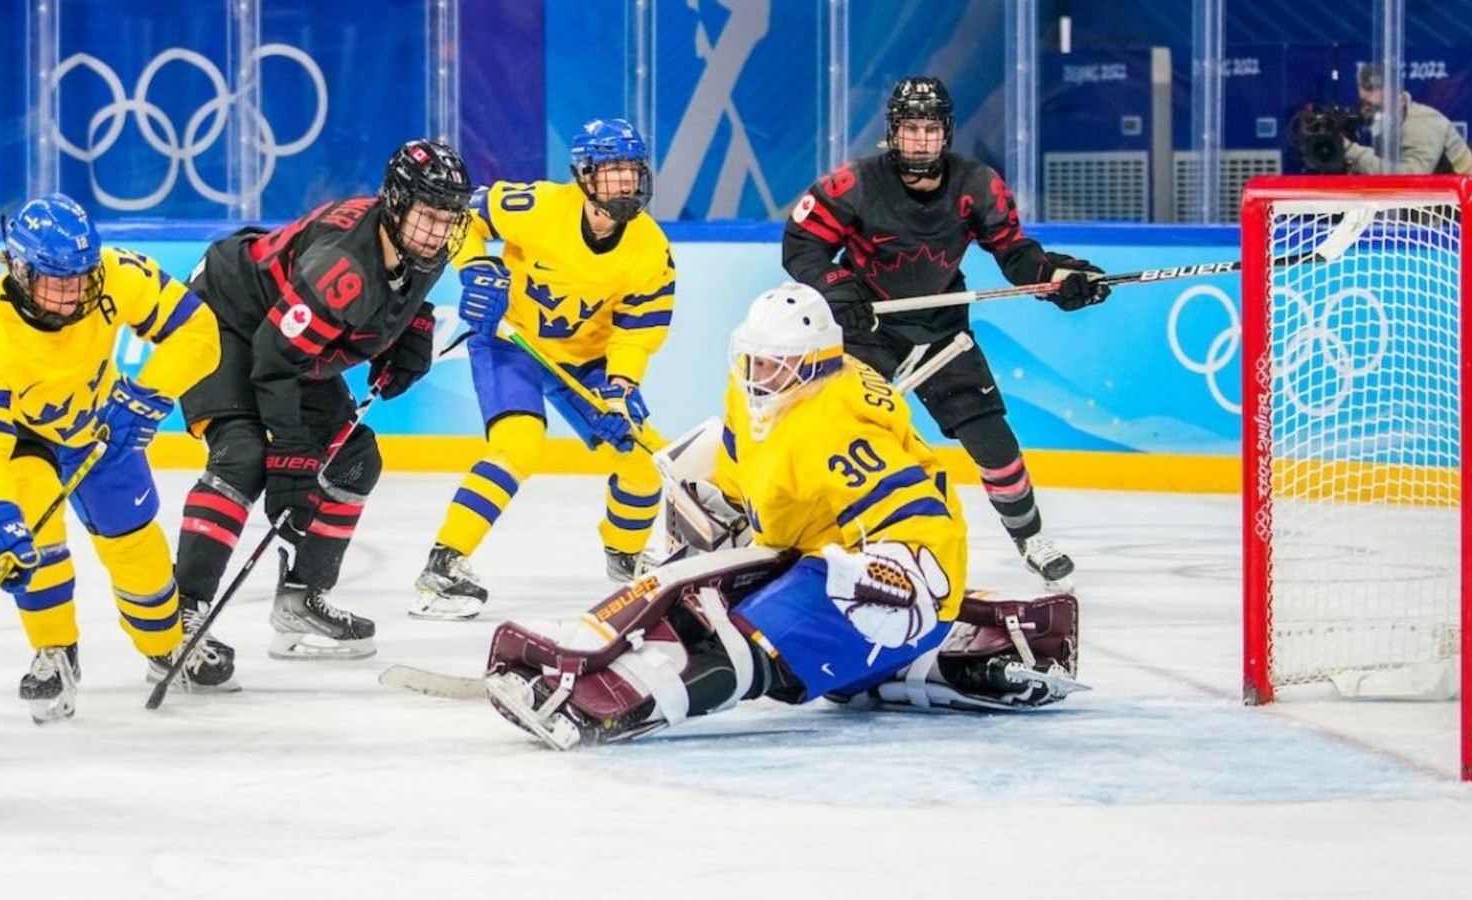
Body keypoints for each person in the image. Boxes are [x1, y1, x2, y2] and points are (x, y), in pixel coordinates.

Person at [482, 284, 1081, 750]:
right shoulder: (752, 394)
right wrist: (703, 528)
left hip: (889, 571)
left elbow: (918, 516)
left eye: (774, 365)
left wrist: (901, 575)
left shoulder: (836, 423)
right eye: (753, 360)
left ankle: (612, 701)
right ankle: (934, 665)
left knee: (751, 645)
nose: (757, 376)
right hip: (810, 544)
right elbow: (744, 468)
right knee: (694, 474)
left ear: (815, 363)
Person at [782, 75, 1109, 592]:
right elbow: (802, 245)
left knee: (992, 437)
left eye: (930, 129)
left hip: (942, 332)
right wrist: (839, 289)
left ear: (946, 133)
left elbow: (1015, 253)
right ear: (894, 132)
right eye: (910, 129)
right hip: (869, 331)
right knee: (842, 437)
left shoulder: (977, 184)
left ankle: (1031, 539)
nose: (920, 141)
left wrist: (1056, 276)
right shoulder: (853, 184)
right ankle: (816, 536)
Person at [173, 138, 474, 660]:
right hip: (218, 319)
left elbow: (404, 292)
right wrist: (290, 453)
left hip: (282, 335)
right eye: (429, 215)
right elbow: (272, 355)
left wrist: (412, 328)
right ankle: (181, 614)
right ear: (397, 203)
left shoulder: (422, 243)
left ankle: (300, 600)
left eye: (449, 217)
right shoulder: (343, 269)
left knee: (355, 460)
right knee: (244, 455)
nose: (440, 230)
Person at [412, 118, 677, 620]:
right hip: (513, 344)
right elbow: (465, 217)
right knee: (520, 447)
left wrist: (620, 388)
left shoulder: (651, 249)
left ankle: (624, 560)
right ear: (583, 175)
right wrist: (475, 268)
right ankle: (442, 568)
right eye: (612, 171)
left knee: (643, 464)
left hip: (588, 362)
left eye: (632, 171)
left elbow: (637, 330)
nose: (625, 183)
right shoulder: (535, 206)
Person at [0, 193, 233, 722]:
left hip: (104, 428)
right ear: (19, 269)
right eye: (57, 280)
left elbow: (200, 331)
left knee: (138, 550)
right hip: (25, 442)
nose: (74, 293)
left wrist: (149, 390)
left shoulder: (118, 275)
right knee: (32, 542)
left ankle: (166, 645)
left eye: (81, 276)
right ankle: (54, 650)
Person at [1344, 63, 1472, 176]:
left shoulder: (1424, 123)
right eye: (1365, 105)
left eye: (1379, 107)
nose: (1369, 113)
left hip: (1461, 202)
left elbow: (1412, 178)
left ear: (1401, 100)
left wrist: (1351, 151)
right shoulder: (1378, 126)